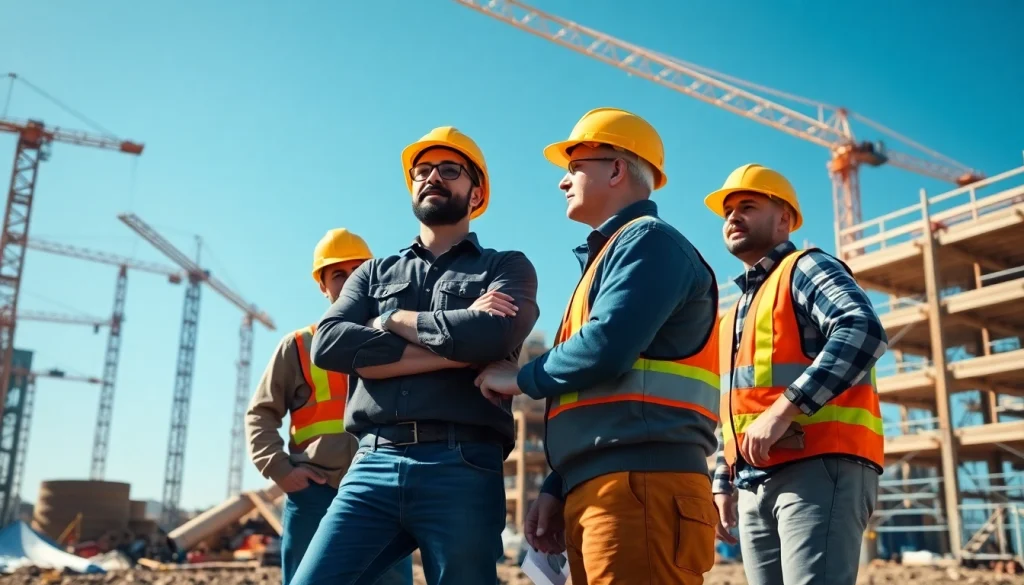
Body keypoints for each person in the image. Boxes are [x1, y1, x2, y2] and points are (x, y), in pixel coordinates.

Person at [476, 107, 721, 585]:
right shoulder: (613, 256)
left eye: (574, 167)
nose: (563, 182)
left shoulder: (649, 242)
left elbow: (605, 347)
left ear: (616, 168)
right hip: (612, 485)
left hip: (642, 485)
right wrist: (557, 482)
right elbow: (590, 395)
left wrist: (519, 379)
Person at [290, 126, 540, 585]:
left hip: (462, 462)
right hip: (372, 463)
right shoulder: (372, 273)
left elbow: (492, 335)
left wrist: (387, 322)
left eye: (449, 170)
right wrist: (453, 350)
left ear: (476, 191)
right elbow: (330, 345)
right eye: (422, 171)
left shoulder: (507, 267)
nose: (432, 178)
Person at [705, 163, 887, 585]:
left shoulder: (806, 267)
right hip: (752, 481)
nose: (732, 216)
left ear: (784, 218)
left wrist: (783, 409)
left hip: (818, 467)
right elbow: (737, 405)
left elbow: (863, 329)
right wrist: (724, 478)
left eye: (747, 205)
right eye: (727, 210)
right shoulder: (735, 313)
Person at [245, 228, 413, 585]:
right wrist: (281, 471)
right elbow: (261, 413)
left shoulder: (397, 340)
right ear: (322, 286)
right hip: (315, 493)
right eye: (339, 274)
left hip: (382, 492)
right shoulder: (298, 345)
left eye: (359, 271)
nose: (351, 281)